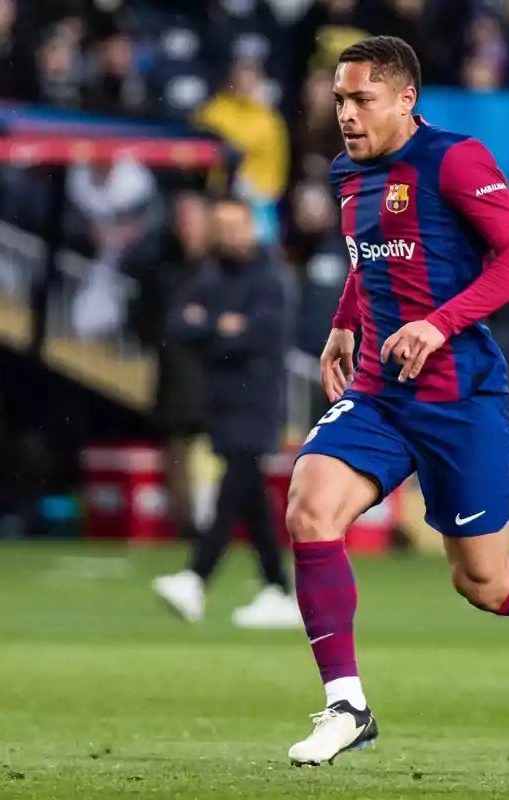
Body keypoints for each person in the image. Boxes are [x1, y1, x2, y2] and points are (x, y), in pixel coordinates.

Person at [284, 36, 509, 766]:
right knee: (309, 508)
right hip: (380, 389)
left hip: (458, 396)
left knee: (483, 580)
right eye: (340, 99)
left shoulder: (454, 159)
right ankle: (346, 702)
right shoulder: (349, 171)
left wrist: (439, 325)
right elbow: (369, 256)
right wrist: (344, 324)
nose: (345, 114)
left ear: (405, 98)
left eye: (361, 100)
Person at [151, 197, 301, 629]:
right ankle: (278, 588)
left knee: (234, 483)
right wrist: (223, 326)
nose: (228, 234)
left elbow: (261, 336)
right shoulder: (210, 275)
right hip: (221, 397)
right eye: (220, 226)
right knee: (248, 494)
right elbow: (179, 325)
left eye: (235, 225)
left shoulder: (271, 277)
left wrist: (212, 328)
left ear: (251, 228)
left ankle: (197, 576)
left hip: (256, 397)